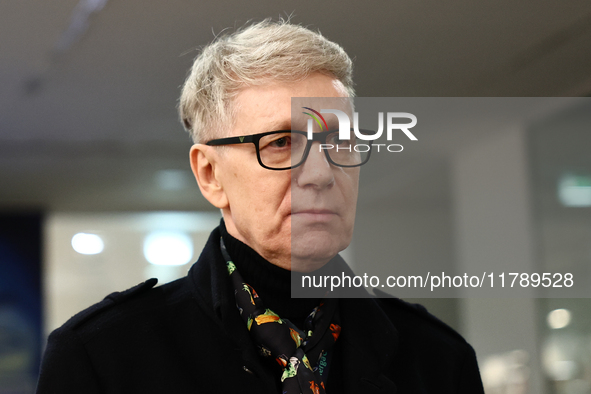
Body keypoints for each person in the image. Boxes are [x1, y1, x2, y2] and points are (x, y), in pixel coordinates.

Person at [36, 19, 484, 393]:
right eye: (282, 143)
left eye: (341, 142)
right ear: (210, 174)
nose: (322, 173)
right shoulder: (104, 357)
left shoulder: (437, 360)